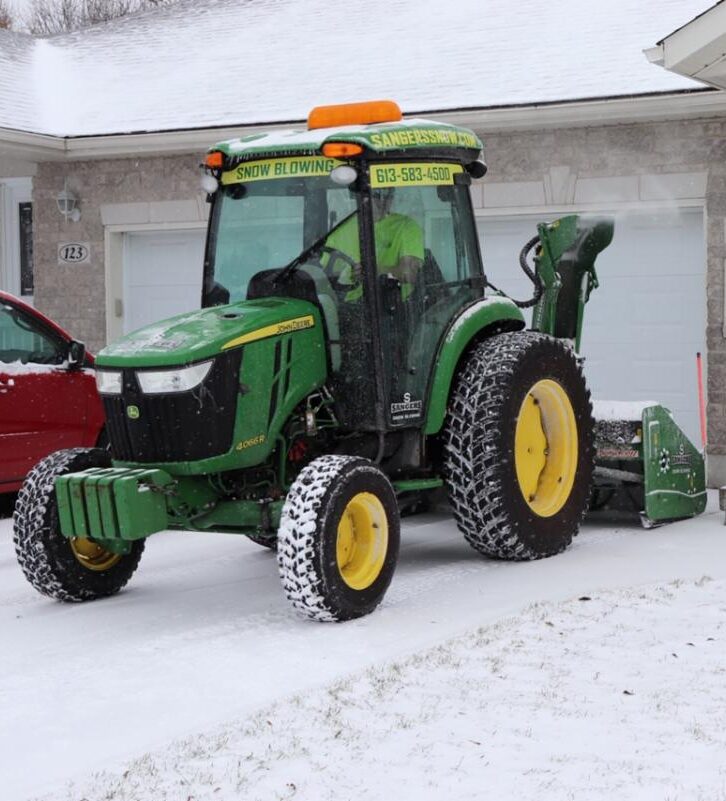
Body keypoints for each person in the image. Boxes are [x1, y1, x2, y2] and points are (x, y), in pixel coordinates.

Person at [324, 188, 424, 302]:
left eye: (388, 195)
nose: (383, 201)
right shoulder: (342, 230)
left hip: (395, 305)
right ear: (362, 197)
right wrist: (349, 273)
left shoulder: (406, 226)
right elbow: (323, 275)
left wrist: (373, 271)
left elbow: (408, 273)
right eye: (377, 195)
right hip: (353, 304)